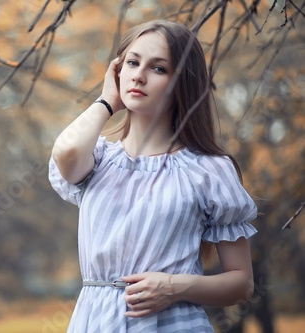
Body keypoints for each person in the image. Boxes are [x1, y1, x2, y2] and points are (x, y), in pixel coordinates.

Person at [48, 20, 258, 332]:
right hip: (95, 323)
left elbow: (242, 284)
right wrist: (107, 100)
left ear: (182, 84)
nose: (139, 76)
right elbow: (65, 154)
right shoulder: (98, 159)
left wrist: (173, 286)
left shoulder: (208, 170)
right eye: (132, 63)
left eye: (158, 68)